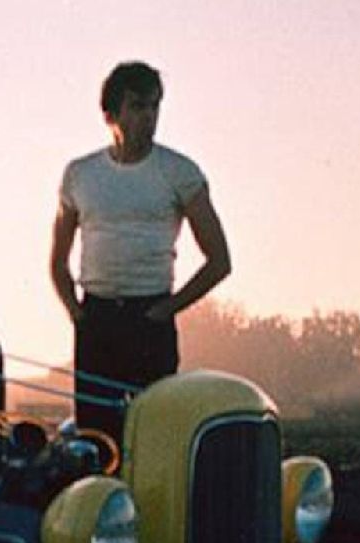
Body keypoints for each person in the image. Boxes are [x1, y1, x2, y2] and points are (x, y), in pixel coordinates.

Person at [51, 60, 231, 444]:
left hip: (149, 319)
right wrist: (77, 314)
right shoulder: (80, 174)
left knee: (156, 440)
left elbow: (219, 261)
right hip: (96, 318)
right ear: (110, 114)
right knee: (97, 441)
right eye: (137, 107)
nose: (149, 117)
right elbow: (57, 260)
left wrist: (165, 310)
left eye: (154, 106)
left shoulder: (179, 172)